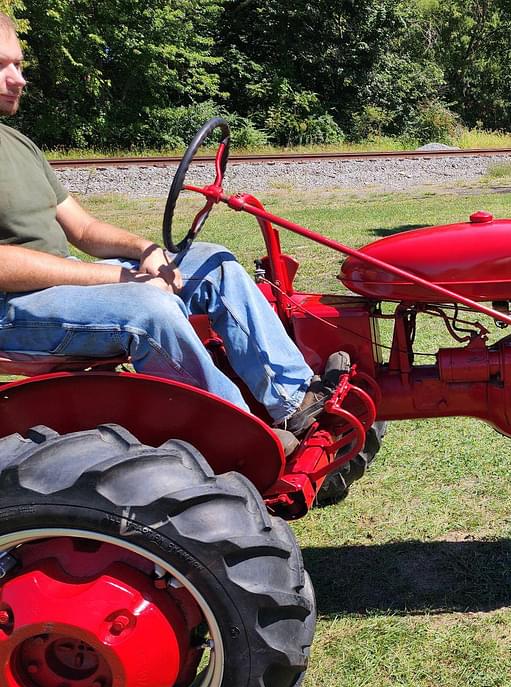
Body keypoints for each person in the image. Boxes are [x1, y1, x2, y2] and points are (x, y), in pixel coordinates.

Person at [0, 13, 326, 451]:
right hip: (12, 312)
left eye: (20, 65)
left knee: (214, 266)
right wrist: (120, 279)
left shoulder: (18, 144)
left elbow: (83, 227)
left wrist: (144, 249)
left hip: (60, 286)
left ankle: (293, 400)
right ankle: (244, 439)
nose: (18, 79)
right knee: (147, 307)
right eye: (4, 66)